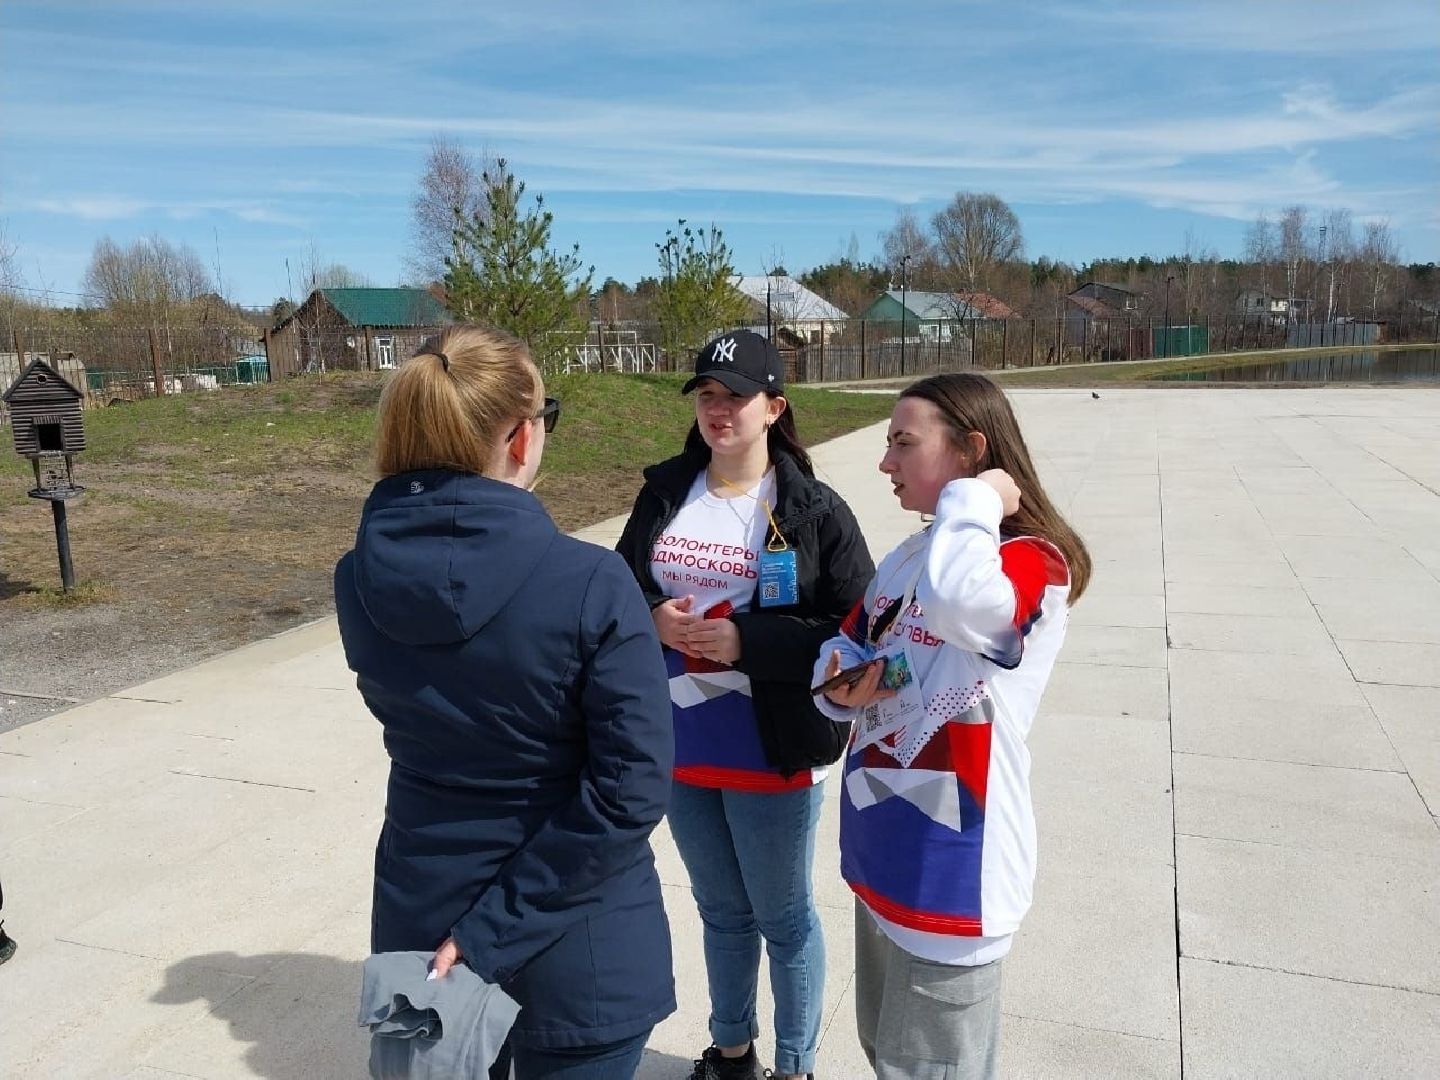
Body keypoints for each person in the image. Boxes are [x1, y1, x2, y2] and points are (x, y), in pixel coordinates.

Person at [334, 326, 676, 1080]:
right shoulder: (592, 582)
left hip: (426, 920)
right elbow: (632, 787)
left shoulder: (356, 578)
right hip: (578, 938)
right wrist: (493, 932)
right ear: (523, 436)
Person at [813, 373, 1091, 1079]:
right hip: (885, 853)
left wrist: (975, 501)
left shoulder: (1029, 562)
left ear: (971, 449)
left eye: (904, 443)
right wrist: (839, 681)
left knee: (930, 1069)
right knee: (885, 1050)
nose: (885, 462)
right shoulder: (915, 556)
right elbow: (848, 641)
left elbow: (960, 606)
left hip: (955, 872)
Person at [616, 330, 873, 1080]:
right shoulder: (666, 492)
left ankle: (794, 1068)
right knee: (721, 912)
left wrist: (748, 642)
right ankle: (731, 1054)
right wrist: (651, 616)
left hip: (771, 748)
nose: (718, 409)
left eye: (735, 395)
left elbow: (857, 629)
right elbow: (618, 586)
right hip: (679, 745)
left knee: (783, 920)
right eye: (707, 394)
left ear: (774, 408)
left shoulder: (813, 509)